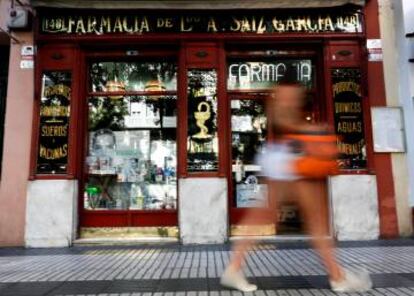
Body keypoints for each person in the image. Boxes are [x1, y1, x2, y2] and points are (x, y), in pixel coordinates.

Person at [220, 82, 372, 293]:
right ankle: (337, 277)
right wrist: (310, 128)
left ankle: (234, 268)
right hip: (289, 160)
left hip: (289, 159)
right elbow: (282, 120)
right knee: (306, 220)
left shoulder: (284, 92)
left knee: (289, 218)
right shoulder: (285, 91)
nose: (292, 100)